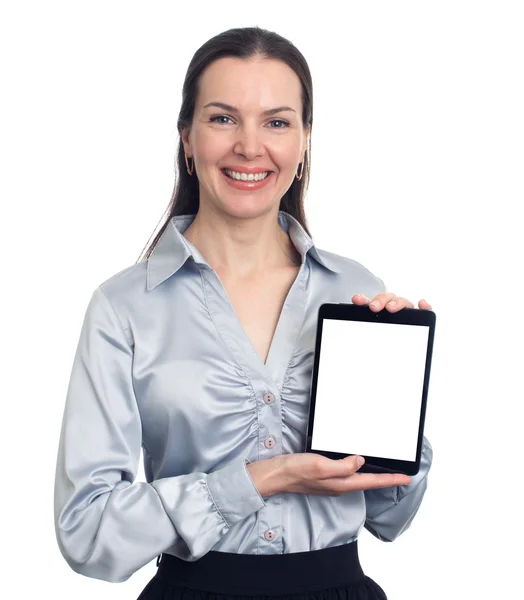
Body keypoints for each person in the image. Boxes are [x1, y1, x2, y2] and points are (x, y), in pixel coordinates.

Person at [53, 26, 433, 600]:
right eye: (223, 118)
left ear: (305, 141)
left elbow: (390, 516)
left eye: (277, 122)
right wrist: (260, 479)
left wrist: (400, 405)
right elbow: (86, 532)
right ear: (187, 137)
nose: (250, 147)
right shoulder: (125, 306)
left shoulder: (357, 291)